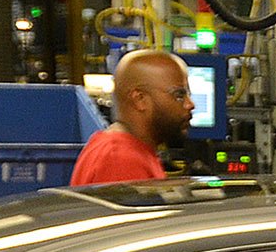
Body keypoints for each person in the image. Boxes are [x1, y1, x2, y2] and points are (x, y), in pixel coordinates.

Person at [71, 49, 193, 185]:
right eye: (179, 95)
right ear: (140, 99)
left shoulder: (129, 150)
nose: (190, 104)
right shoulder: (120, 159)